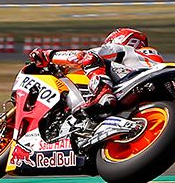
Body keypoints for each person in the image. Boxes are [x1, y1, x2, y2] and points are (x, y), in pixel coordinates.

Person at [27, 27, 163, 116]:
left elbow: (83, 56)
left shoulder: (125, 50)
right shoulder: (152, 57)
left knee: (90, 58)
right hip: (156, 92)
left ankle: (102, 93)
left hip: (136, 80)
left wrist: (48, 55)